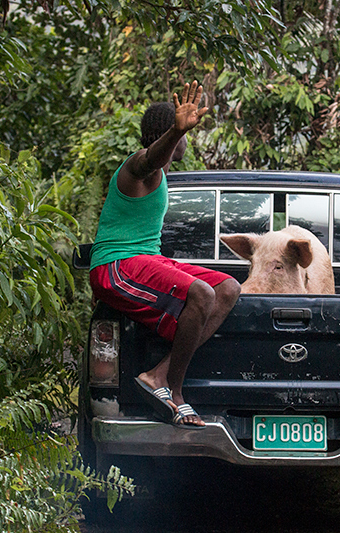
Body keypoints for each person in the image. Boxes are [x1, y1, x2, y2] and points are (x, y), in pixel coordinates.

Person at [88, 81, 241, 428]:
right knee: (200, 294)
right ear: (168, 133)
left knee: (228, 288)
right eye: (181, 132)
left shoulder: (163, 176)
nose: (186, 138)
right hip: (116, 266)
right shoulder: (138, 169)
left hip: (145, 260)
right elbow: (150, 160)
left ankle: (157, 374)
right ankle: (174, 389)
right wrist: (175, 130)